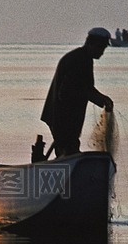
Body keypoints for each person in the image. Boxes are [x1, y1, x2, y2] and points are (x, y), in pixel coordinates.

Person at [41, 27, 114, 158]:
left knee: (67, 150)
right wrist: (101, 100)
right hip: (62, 117)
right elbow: (70, 91)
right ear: (91, 44)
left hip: (65, 117)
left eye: (103, 48)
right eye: (100, 48)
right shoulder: (79, 60)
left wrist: (101, 99)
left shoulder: (82, 58)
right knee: (68, 151)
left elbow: (85, 88)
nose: (102, 52)